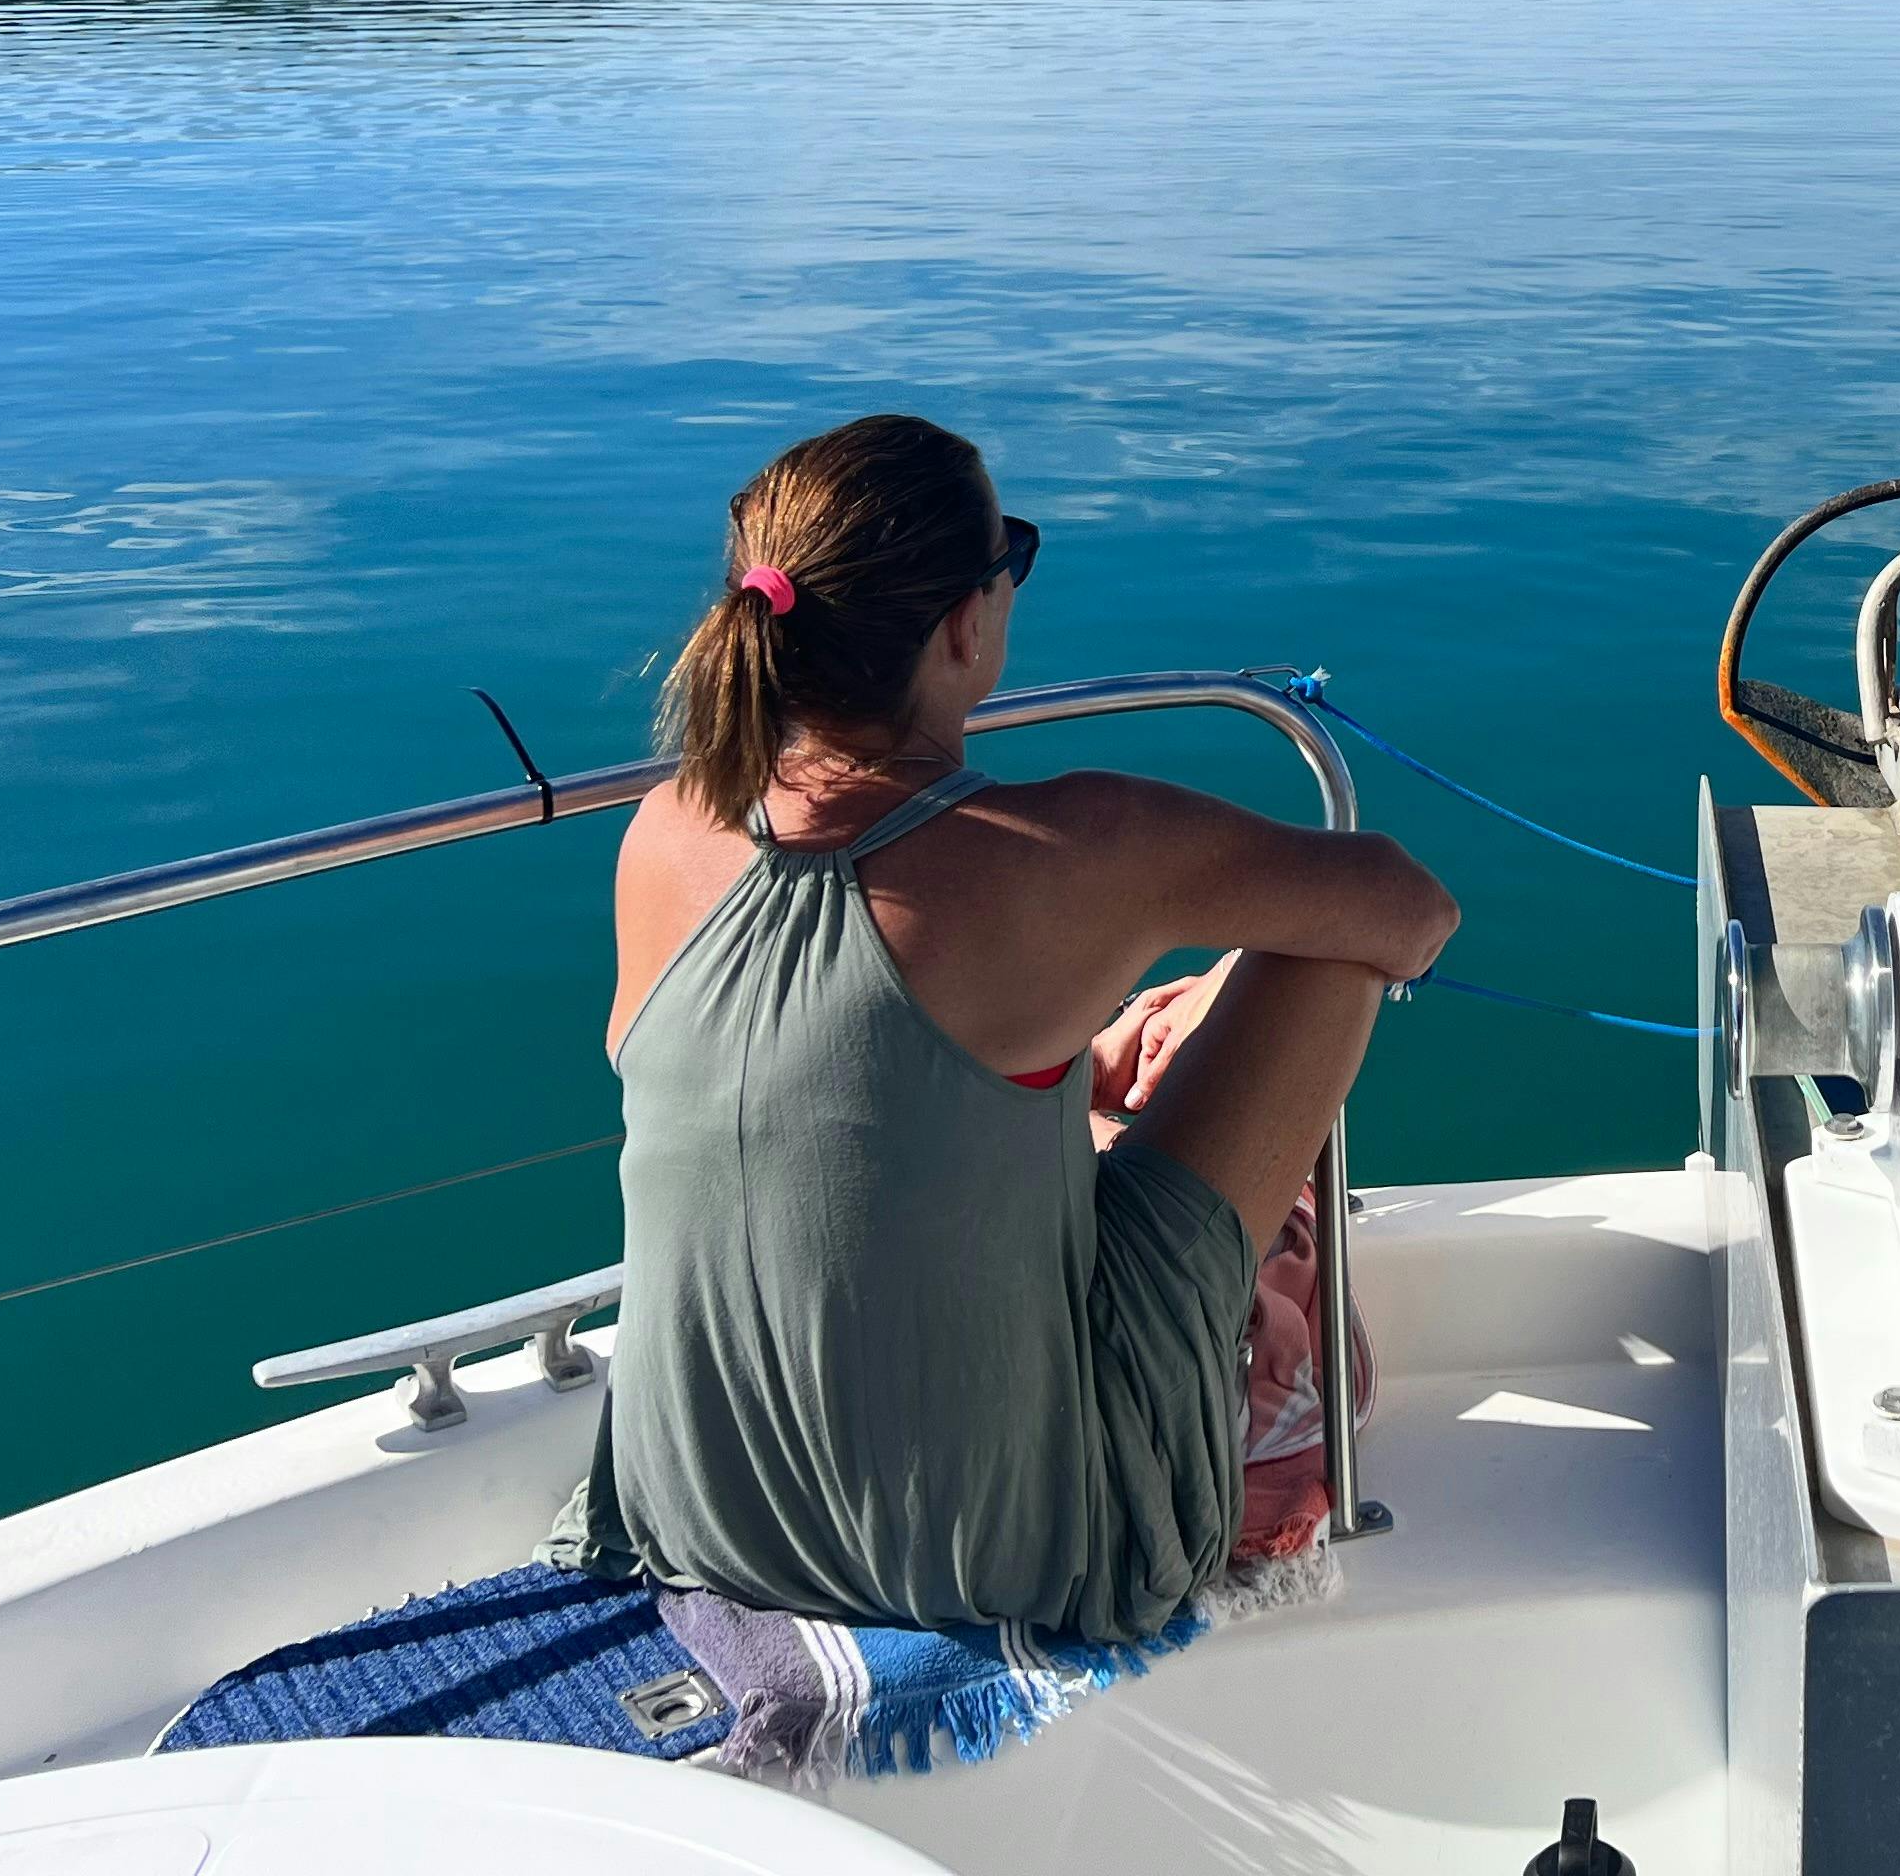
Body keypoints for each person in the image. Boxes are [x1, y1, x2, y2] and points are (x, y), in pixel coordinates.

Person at [548, 413, 1456, 1644]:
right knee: (1328, 944)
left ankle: (1076, 1078)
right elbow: (1410, 910)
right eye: (1011, 556)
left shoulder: (666, 828)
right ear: (964, 625)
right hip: (1016, 1554)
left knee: (1034, 1072)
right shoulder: (1072, 847)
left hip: (693, 1516)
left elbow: (855, 1086)